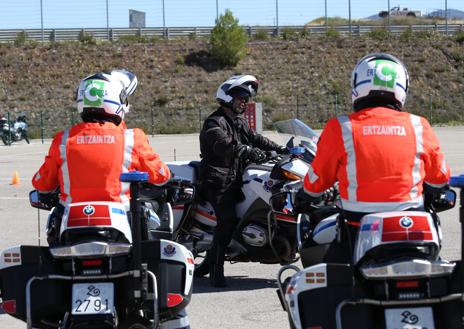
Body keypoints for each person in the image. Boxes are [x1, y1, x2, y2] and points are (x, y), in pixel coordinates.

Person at [300, 53, 451, 262]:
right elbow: (440, 178)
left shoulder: (341, 127)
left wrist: (304, 195)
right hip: (411, 225)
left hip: (357, 227)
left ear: (357, 84)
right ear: (402, 86)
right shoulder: (419, 125)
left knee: (331, 275)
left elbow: (315, 183)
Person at [32, 69, 172, 243]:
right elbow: (161, 176)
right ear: (118, 100)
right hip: (120, 223)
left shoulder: (64, 139)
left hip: (72, 223)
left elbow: (41, 183)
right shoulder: (131, 138)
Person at [199, 74, 288, 287]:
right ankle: (216, 272)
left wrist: (281, 149)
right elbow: (224, 145)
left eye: (245, 99)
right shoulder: (215, 122)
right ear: (228, 98)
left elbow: (257, 138)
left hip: (235, 178)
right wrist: (248, 151)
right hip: (218, 180)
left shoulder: (237, 122)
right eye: (240, 98)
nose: (244, 102)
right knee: (227, 221)